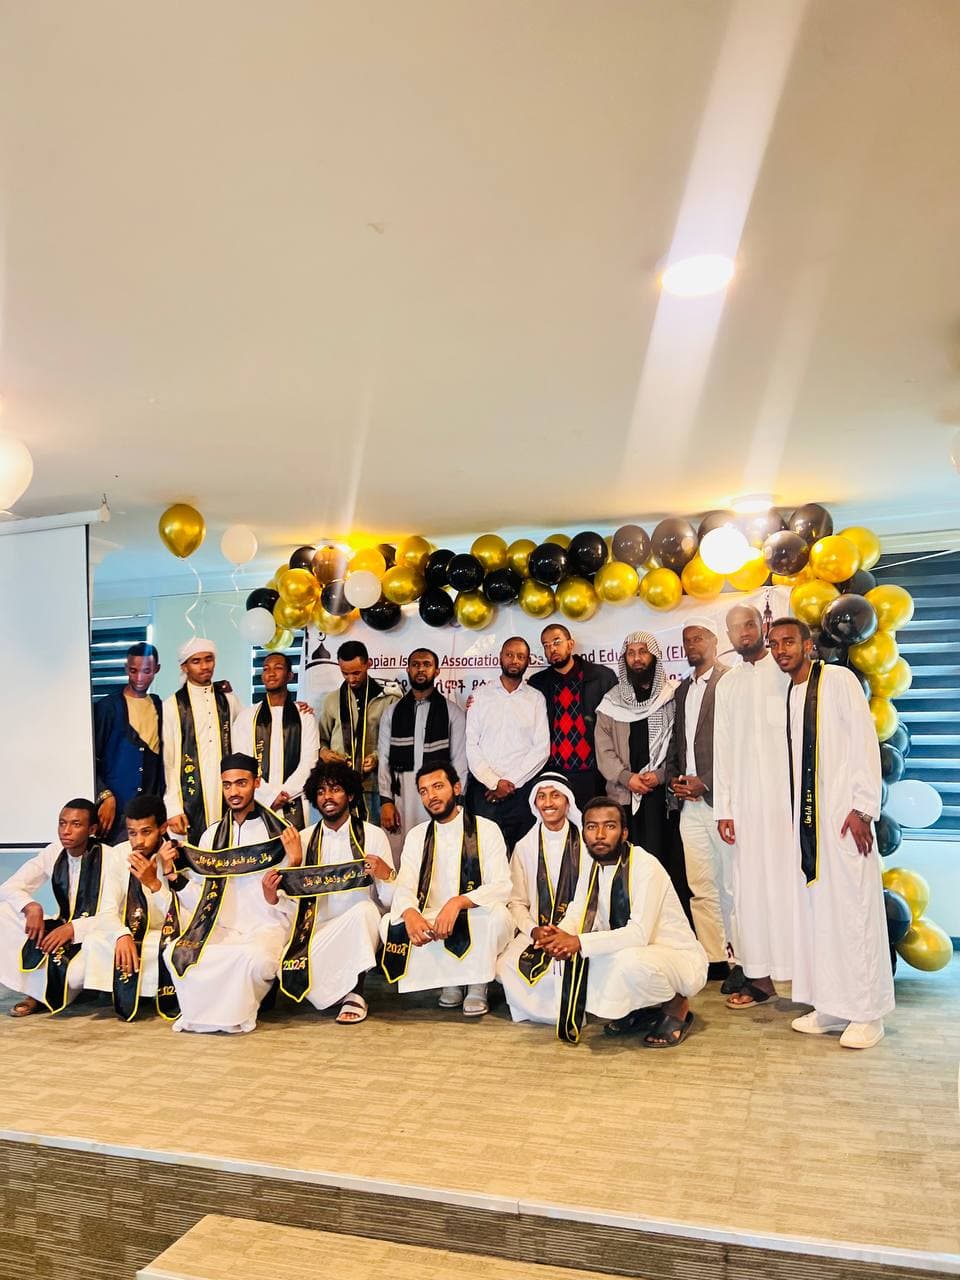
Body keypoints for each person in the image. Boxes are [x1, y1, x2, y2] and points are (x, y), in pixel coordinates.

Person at [769, 618, 894, 1049]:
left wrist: (863, 808)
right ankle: (831, 1004)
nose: (781, 650)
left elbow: (863, 742)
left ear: (809, 645)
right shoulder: (791, 692)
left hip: (844, 817)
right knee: (817, 911)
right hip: (809, 824)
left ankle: (868, 1012)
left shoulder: (837, 680)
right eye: (774, 644)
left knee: (854, 911)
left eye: (788, 642)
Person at [539, 798, 707, 1046]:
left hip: (676, 958)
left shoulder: (645, 865)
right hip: (634, 950)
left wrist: (578, 941)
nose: (599, 835)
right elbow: (578, 911)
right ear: (583, 832)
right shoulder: (592, 866)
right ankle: (640, 1010)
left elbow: (638, 934)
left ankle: (676, 1006)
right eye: (591, 827)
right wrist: (558, 935)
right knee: (578, 957)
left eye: (609, 826)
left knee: (628, 962)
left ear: (624, 832)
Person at [161, 753, 302, 1034]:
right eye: (227, 785)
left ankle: (238, 1016)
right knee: (177, 953)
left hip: (267, 924)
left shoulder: (281, 833)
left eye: (241, 783)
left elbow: (299, 900)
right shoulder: (211, 836)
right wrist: (173, 877)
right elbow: (202, 898)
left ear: (256, 783)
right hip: (222, 926)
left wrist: (295, 865)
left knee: (255, 958)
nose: (234, 792)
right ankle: (201, 1017)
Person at [269, 760, 395, 1024]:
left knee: (365, 911)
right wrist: (293, 865)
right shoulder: (302, 839)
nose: (328, 797)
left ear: (349, 794)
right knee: (287, 969)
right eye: (321, 791)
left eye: (335, 789)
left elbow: (389, 901)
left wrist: (386, 875)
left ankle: (355, 993)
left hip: (361, 925)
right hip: (315, 931)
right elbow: (289, 908)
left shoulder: (373, 836)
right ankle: (336, 990)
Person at [381, 762, 512, 1016]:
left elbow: (502, 886)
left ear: (456, 787)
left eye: (438, 787)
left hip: (475, 915)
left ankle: (477, 984)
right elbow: (405, 885)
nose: (431, 796)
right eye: (424, 791)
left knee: (497, 916)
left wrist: (458, 902)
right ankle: (449, 980)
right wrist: (410, 913)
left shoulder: (487, 829)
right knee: (389, 924)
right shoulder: (418, 835)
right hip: (432, 916)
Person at [713, 604, 794, 1009]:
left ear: (760, 627)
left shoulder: (786, 673)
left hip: (789, 804)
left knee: (791, 889)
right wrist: (724, 808)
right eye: (734, 628)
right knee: (748, 892)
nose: (743, 634)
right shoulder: (727, 684)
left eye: (748, 625)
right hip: (744, 808)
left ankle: (803, 981)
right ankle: (759, 978)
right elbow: (722, 751)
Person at [664, 620, 738, 982]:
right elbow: (679, 741)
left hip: (721, 803)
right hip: (688, 806)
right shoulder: (682, 690)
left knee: (731, 885)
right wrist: (677, 780)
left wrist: (705, 784)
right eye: (686, 640)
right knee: (700, 885)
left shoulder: (731, 681)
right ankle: (715, 959)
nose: (691, 644)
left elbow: (739, 747)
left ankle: (742, 959)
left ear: (714, 641)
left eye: (698, 638)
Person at [594, 631, 687, 898]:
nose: (637, 659)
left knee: (664, 863)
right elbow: (604, 749)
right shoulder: (611, 701)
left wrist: (660, 775)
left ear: (654, 656)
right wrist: (626, 777)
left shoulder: (671, 696)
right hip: (624, 795)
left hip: (662, 797)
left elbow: (679, 744)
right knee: (629, 863)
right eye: (631, 653)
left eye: (643, 652)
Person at [0, 799, 112, 1017]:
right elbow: (10, 886)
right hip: (60, 923)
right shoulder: (53, 852)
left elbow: (115, 914)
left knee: (77, 974)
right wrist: (30, 906)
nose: (66, 831)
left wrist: (73, 929)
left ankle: (63, 992)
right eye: (62, 823)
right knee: (4, 912)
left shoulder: (111, 858)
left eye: (75, 825)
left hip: (92, 934)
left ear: (92, 829)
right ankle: (35, 994)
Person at [497, 773, 588, 1025]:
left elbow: (589, 897)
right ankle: (540, 1012)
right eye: (542, 796)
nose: (548, 803)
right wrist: (533, 929)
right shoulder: (525, 846)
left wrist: (564, 931)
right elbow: (516, 901)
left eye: (555, 795)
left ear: (567, 802)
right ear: (534, 804)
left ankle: (567, 1010)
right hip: (536, 931)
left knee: (569, 963)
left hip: (578, 929)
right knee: (504, 966)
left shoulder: (586, 842)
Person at [83, 794, 179, 1020]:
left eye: (146, 832)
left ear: (163, 828)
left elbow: (182, 916)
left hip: (163, 933)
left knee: (174, 949)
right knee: (94, 940)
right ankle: (136, 990)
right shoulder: (119, 854)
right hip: (129, 931)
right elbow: (106, 910)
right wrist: (121, 934)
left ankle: (151, 992)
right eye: (132, 833)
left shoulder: (178, 854)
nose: (138, 841)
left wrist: (154, 883)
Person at [377, 648, 468, 863]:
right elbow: (385, 760)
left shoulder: (452, 712)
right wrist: (386, 801)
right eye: (416, 664)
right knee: (401, 857)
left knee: (441, 857)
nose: (421, 669)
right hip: (402, 799)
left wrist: (456, 803)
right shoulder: (392, 712)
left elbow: (460, 762)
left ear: (436, 671)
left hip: (441, 798)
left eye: (426, 664)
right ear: (408, 669)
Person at [465, 637, 550, 850]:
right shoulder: (480, 696)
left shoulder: (536, 698)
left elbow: (541, 748)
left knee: (523, 857)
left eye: (520, 656)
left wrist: (509, 782)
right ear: (500, 657)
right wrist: (494, 783)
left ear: (528, 661)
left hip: (522, 792)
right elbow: (471, 745)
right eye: (509, 655)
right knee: (483, 856)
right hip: (484, 792)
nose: (514, 660)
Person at [528, 624, 617, 811]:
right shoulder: (537, 684)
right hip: (554, 773)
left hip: (594, 773)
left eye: (556, 642)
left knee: (592, 826)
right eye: (545, 645)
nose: (551, 649)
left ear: (570, 644)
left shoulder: (601, 677)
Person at [162, 638, 243, 843]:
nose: (205, 666)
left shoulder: (228, 699)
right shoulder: (172, 706)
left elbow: (246, 732)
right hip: (189, 797)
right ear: (184, 666)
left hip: (226, 788)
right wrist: (172, 807)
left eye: (209, 659)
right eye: (196, 661)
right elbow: (168, 761)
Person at [234, 652, 319, 829]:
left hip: (294, 799)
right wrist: (269, 796)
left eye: (278, 668)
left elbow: (310, 762)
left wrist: (286, 793)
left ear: (290, 675)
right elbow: (244, 762)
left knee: (295, 852)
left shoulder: (304, 717)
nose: (271, 673)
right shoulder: (247, 717)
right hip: (258, 798)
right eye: (266, 669)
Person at [317, 640, 398, 823]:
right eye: (345, 673)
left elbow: (394, 741)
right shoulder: (331, 700)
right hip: (339, 786)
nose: (351, 679)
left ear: (368, 664)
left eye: (356, 673)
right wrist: (324, 753)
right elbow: (320, 740)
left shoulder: (388, 699)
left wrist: (376, 757)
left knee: (374, 840)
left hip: (374, 785)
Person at [94, 642, 164, 843]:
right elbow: (91, 759)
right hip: (115, 815)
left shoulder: (161, 706)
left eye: (147, 671)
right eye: (133, 671)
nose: (140, 678)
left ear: (156, 670)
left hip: (149, 815)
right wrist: (104, 795)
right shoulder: (108, 707)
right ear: (126, 669)